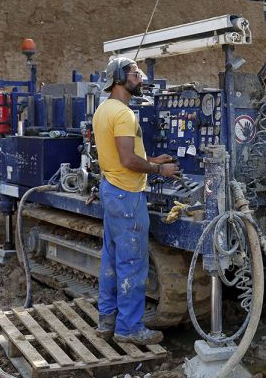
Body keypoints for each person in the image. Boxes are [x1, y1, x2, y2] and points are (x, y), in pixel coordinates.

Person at [92, 57, 180, 346]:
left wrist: (153, 159)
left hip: (111, 189)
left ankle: (107, 321)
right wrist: (160, 170)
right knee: (132, 263)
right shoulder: (124, 115)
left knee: (112, 258)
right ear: (119, 77)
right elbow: (128, 160)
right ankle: (129, 328)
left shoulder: (103, 109)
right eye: (134, 73)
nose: (140, 78)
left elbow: (121, 156)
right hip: (127, 195)